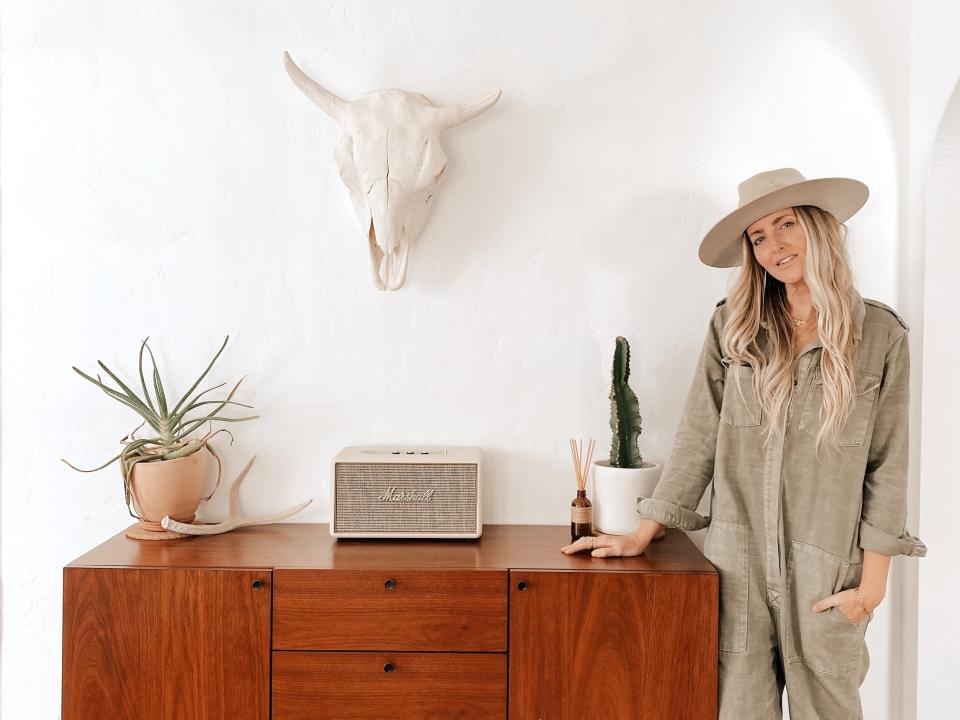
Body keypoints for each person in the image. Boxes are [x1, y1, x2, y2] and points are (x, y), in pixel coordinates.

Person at [561, 168, 927, 720]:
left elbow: (888, 464)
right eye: (758, 237)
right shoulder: (734, 327)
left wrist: (870, 590)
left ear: (819, 228)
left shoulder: (880, 335)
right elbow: (699, 434)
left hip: (827, 568)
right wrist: (644, 531)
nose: (774, 245)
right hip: (739, 563)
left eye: (786, 225)